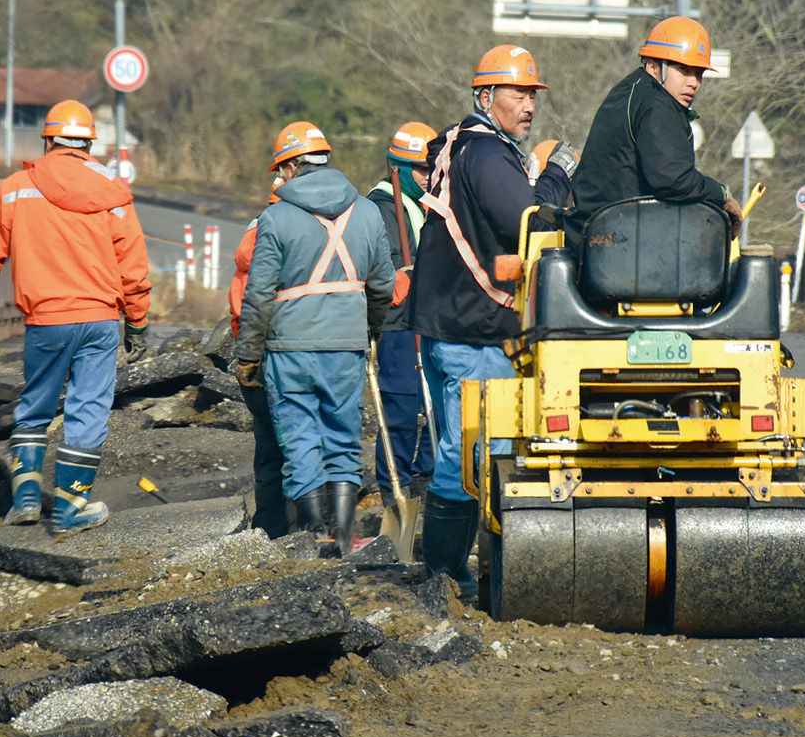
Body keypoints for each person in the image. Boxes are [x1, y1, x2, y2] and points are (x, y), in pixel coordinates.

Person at [410, 45, 579, 596]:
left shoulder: (465, 145)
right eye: (517, 93)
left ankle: (454, 569)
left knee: (472, 449)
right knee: (473, 450)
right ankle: (445, 574)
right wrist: (556, 176)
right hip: (472, 328)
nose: (528, 105)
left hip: (455, 323)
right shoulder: (486, 155)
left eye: (532, 94)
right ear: (485, 97)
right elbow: (528, 221)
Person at [0, 99, 151, 537]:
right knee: (88, 411)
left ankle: (25, 498)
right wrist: (137, 321)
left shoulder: (15, 187)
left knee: (36, 405)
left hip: (46, 320)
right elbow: (133, 266)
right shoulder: (112, 191)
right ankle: (69, 510)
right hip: (100, 321)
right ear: (88, 143)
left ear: (47, 139)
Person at [235, 121, 394, 555]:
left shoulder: (276, 217)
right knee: (343, 438)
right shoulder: (366, 212)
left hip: (290, 350)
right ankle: (343, 538)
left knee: (300, 439)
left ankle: (316, 537)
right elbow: (383, 285)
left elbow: (259, 294)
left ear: (289, 166)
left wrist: (248, 354)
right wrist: (368, 331)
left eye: (280, 169)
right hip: (346, 347)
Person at [563, 16, 742, 245]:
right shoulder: (656, 105)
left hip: (596, 232)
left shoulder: (630, 91)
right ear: (653, 67)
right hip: (621, 242)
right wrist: (721, 195)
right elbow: (673, 179)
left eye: (698, 73)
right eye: (683, 69)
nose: (694, 82)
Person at [364, 121, 436, 498]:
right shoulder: (380, 209)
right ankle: (395, 487)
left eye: (431, 168)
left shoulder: (424, 207)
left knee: (438, 405)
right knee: (402, 412)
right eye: (422, 169)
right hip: (396, 327)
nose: (428, 176)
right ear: (402, 170)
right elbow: (387, 276)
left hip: (426, 320)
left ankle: (425, 476)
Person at [228, 176, 291, 538]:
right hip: (289, 353)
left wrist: (247, 356)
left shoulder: (252, 238)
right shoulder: (298, 237)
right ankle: (307, 529)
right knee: (304, 445)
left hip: (255, 355)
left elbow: (242, 309)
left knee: (269, 449)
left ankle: (270, 527)